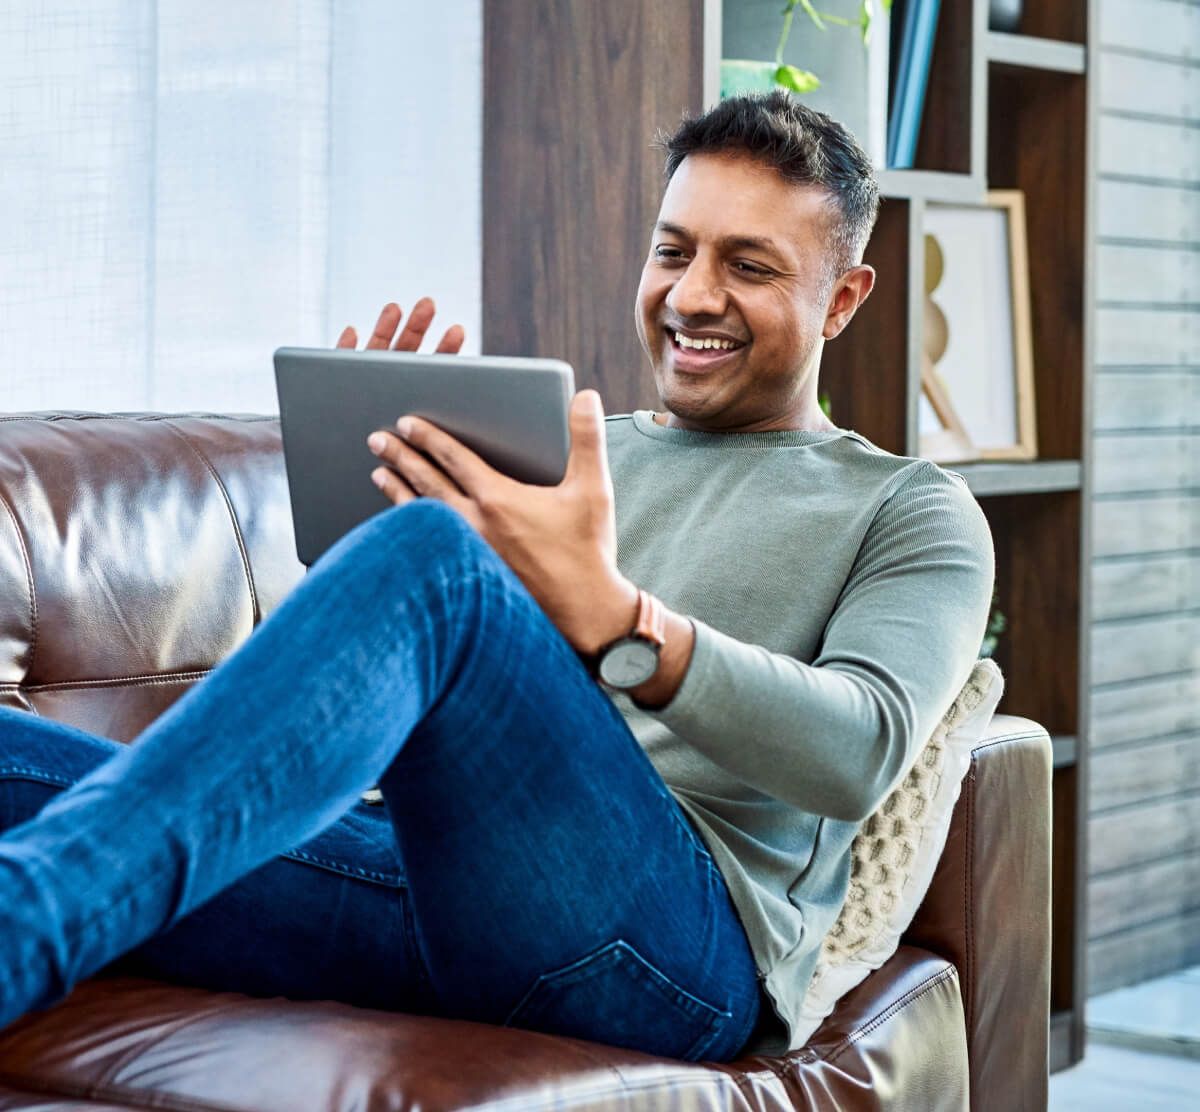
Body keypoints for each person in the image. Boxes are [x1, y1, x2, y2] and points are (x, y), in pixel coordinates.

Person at [0, 92, 993, 1060]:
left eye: (750, 266)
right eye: (673, 250)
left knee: (435, 560)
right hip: (423, 890)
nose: (692, 296)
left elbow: (859, 748)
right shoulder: (550, 454)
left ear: (844, 299)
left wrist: (618, 621)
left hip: (668, 958)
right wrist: (366, 546)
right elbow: (367, 741)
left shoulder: (911, 510)